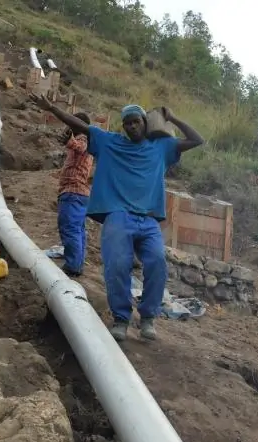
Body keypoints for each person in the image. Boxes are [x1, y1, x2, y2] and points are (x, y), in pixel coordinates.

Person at [30, 93, 204, 342]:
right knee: (117, 266)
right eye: (127, 123)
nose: (132, 126)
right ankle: (121, 318)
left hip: (148, 220)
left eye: (136, 121)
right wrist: (51, 108)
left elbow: (197, 140)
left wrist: (172, 118)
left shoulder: (161, 148)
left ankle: (147, 318)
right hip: (118, 216)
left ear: (145, 122)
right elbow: (79, 125)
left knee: (157, 263)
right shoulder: (109, 142)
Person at [56, 112, 94, 277]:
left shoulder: (83, 139)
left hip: (73, 192)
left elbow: (80, 146)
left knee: (70, 228)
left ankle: (73, 266)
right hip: (79, 194)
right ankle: (76, 264)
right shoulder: (86, 141)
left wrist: (69, 141)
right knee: (77, 230)